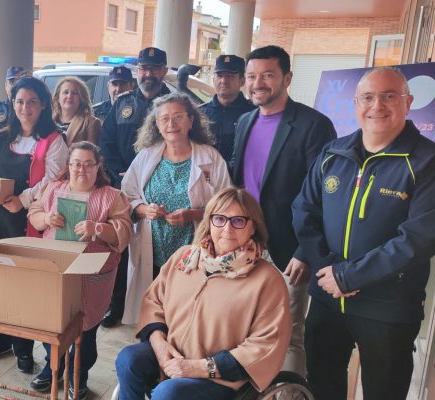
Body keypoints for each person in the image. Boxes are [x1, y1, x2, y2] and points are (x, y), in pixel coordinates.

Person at [292, 67, 435, 400]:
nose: (377, 105)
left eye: (389, 96)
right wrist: (328, 269)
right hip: (328, 301)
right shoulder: (333, 153)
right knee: (323, 384)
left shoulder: (427, 162)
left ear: (408, 102)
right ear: (355, 103)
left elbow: (418, 238)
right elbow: (304, 212)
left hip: (388, 306)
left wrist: (349, 276)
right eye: (368, 97)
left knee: (384, 391)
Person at [116, 187, 291, 400]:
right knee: (128, 359)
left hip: (221, 378)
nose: (227, 228)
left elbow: (265, 345)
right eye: (219, 219)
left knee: (168, 393)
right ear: (209, 222)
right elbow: (154, 301)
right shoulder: (185, 257)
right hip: (173, 358)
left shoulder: (267, 280)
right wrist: (159, 343)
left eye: (238, 221)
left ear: (253, 227)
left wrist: (197, 368)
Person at [230, 45, 336, 375]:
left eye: (267, 75)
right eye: (251, 76)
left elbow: (324, 196)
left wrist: (306, 251)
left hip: (289, 250)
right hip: (243, 245)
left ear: (287, 78)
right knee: (244, 328)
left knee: (289, 335)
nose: (257, 83)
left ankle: (291, 392)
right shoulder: (245, 120)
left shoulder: (313, 125)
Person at [27, 141, 132, 400]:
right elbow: (35, 212)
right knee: (52, 324)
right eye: (76, 163)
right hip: (57, 272)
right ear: (68, 165)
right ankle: (54, 367)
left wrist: (97, 228)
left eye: (88, 164)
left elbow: (124, 231)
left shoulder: (112, 196)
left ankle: (79, 373)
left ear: (98, 167)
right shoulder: (53, 188)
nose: (81, 169)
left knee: (85, 331)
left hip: (93, 278)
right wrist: (46, 218)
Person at [0, 76, 69, 371]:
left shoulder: (54, 141)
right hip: (0, 220)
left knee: (32, 289)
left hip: (32, 222)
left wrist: (23, 199)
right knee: (4, 284)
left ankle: (32, 351)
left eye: (32, 101)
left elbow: (53, 180)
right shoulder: (1, 136)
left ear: (43, 104)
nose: (25, 107)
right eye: (19, 101)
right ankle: (8, 340)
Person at [120, 92, 231, 325]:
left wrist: (193, 215)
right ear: (157, 125)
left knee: (186, 317)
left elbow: (226, 206)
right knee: (153, 315)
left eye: (179, 116)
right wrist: (144, 210)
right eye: (164, 119)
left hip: (194, 254)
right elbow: (127, 196)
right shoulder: (146, 157)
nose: (171, 124)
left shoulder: (210, 158)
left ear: (191, 120)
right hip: (154, 253)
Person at [98, 47, 171, 328]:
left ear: (164, 70)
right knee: (121, 247)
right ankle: (117, 306)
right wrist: (120, 174)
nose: (148, 74)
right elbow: (107, 142)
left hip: (161, 189)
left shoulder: (175, 103)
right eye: (143, 68)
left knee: (159, 253)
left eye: (154, 68)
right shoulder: (123, 103)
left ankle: (160, 311)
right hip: (123, 189)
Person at [199, 54, 255, 162]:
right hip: (206, 175)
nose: (224, 80)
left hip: (239, 176)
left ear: (242, 81)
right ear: (213, 79)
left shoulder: (253, 113)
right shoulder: (200, 113)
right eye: (219, 75)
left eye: (230, 76)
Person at [52, 77, 102, 145]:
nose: (69, 96)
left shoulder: (91, 123)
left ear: (81, 98)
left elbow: (91, 153)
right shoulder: (48, 120)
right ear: (58, 98)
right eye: (65, 92)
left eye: (74, 93)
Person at [0, 66, 29, 135]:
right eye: (12, 82)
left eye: (19, 82)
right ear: (6, 85)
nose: (15, 86)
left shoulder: (31, 110)